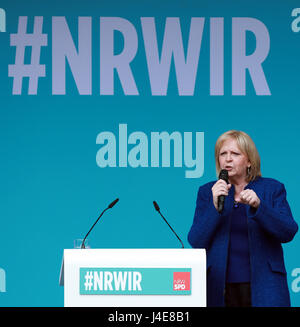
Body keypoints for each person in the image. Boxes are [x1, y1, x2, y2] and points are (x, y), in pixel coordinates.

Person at [188, 130, 298, 307]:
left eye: (235, 154)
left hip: (265, 285)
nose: (228, 159)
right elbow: (196, 240)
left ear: (249, 161)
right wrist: (214, 208)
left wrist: (260, 207)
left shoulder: (272, 188)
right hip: (218, 287)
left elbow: (288, 231)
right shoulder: (208, 192)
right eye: (223, 154)